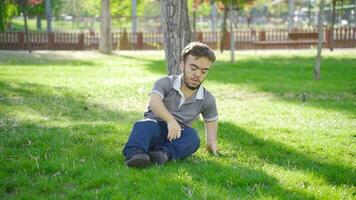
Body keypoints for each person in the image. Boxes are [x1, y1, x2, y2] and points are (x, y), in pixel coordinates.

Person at [122, 42, 219, 168]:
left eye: (204, 71)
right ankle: (136, 155)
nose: (198, 75)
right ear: (182, 65)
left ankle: (162, 154)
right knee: (145, 125)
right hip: (154, 128)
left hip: (176, 136)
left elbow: (211, 119)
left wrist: (211, 141)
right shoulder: (165, 83)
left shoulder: (207, 98)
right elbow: (154, 102)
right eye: (193, 68)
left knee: (193, 138)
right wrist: (170, 121)